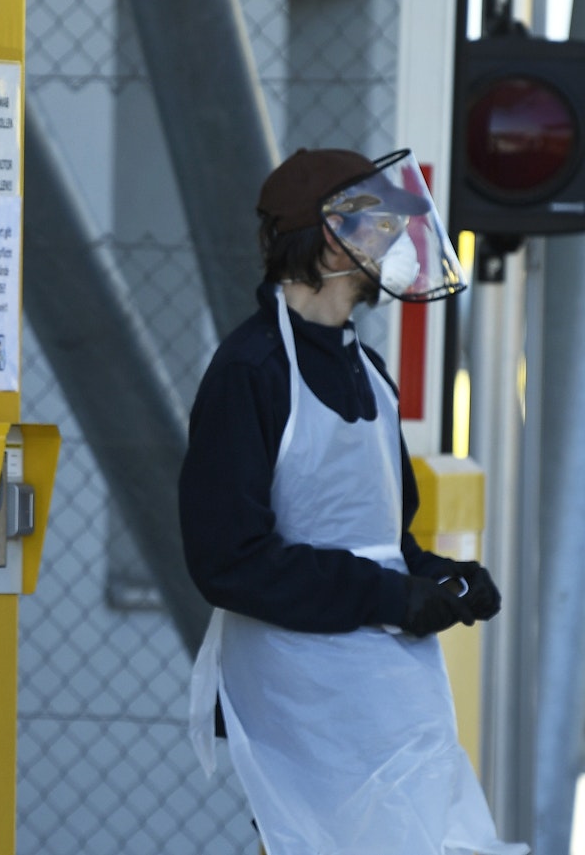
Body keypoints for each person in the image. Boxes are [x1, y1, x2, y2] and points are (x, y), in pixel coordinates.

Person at [181, 148, 529, 855]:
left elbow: (380, 537)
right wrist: (387, 596)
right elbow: (228, 559)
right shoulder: (249, 370)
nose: (395, 241)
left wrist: (438, 577)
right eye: (378, 226)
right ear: (329, 238)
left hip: (381, 682)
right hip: (297, 690)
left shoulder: (367, 372)